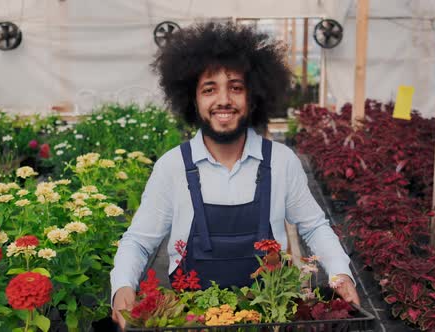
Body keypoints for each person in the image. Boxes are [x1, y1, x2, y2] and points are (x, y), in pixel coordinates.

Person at [110, 22, 358, 328]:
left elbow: (314, 227)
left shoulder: (281, 162)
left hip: (270, 316)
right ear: (193, 100)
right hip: (194, 319)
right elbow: (138, 241)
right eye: (209, 89)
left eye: (236, 88)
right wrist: (122, 286)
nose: (224, 100)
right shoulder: (172, 167)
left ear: (253, 98)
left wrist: (340, 273)